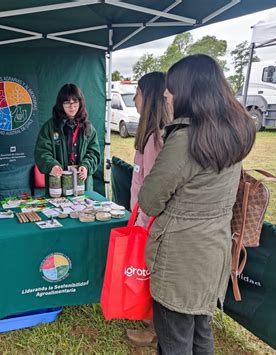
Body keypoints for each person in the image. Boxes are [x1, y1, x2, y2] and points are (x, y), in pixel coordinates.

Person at [138, 54, 256, 354]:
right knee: (201, 331)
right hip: (213, 251)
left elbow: (150, 201)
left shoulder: (185, 139)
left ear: (187, 92)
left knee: (174, 339)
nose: (166, 100)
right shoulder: (235, 131)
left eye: (169, 94)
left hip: (180, 257)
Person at [126, 72, 170, 347]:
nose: (134, 98)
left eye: (138, 92)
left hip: (150, 223)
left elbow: (154, 186)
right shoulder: (150, 135)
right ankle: (151, 322)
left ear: (150, 96)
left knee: (153, 274)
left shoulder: (156, 138)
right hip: (145, 220)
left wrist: (142, 221)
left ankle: (155, 331)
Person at [35, 84, 100, 191]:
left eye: (75, 101)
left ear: (80, 102)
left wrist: (86, 166)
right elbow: (42, 152)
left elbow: (94, 152)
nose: (71, 106)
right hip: (57, 184)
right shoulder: (50, 127)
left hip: (82, 184)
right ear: (61, 104)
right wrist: (52, 166)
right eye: (67, 102)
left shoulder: (88, 128)